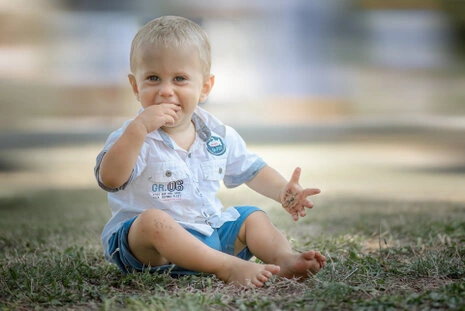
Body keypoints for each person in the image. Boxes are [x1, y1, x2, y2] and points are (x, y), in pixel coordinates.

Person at [94, 15, 326, 288]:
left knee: (252, 216)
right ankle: (226, 267)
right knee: (152, 221)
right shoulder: (133, 135)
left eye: (179, 79)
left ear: (204, 87)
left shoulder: (217, 134)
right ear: (136, 86)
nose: (166, 91)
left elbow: (252, 170)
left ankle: (284, 259)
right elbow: (110, 179)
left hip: (209, 233)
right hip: (149, 250)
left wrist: (282, 192)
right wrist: (138, 129)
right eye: (153, 78)